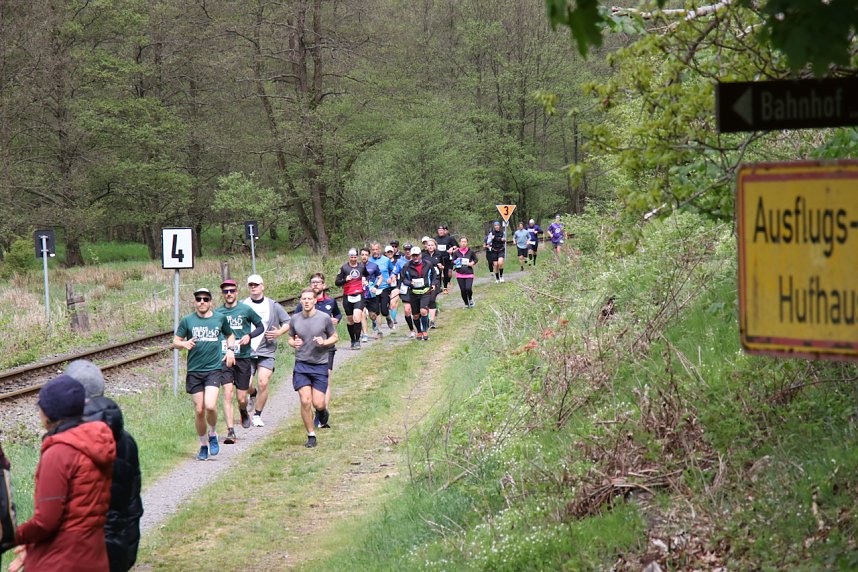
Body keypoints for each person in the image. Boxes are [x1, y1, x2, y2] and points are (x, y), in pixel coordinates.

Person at [9, 375, 115, 572]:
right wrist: (32, 544)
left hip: (62, 560)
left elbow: (46, 521)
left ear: (49, 414)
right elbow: (77, 512)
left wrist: (12, 536)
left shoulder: (59, 452)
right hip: (93, 554)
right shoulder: (94, 442)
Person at [65, 360, 143, 572]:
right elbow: (132, 501)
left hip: (77, 550)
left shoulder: (67, 442)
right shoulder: (126, 440)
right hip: (118, 544)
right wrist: (129, 549)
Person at [172, 287, 236, 460]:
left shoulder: (219, 318)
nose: (202, 302)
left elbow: (230, 335)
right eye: (198, 299)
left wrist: (230, 350)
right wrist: (183, 344)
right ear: (194, 302)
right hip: (194, 371)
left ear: (210, 302)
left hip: (213, 369)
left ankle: (213, 433)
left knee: (210, 406)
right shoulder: (187, 320)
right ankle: (203, 444)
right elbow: (175, 341)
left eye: (205, 299)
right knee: (199, 410)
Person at [287, 288, 338, 448]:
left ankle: (322, 412)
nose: (307, 301)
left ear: (315, 301)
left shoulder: (324, 318)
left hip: (320, 364)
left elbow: (335, 337)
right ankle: (311, 435)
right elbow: (290, 338)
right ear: (301, 301)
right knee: (305, 400)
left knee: (318, 403)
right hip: (302, 364)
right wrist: (294, 343)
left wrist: (325, 342)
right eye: (304, 299)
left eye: (310, 299)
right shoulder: (295, 319)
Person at [215, 279, 264, 439]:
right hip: (225, 358)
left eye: (231, 291)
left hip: (243, 357)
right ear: (223, 294)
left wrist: (249, 336)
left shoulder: (246, 309)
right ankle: (230, 431)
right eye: (226, 291)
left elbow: (261, 327)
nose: (229, 294)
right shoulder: (218, 313)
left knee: (241, 398)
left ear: (236, 292)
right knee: (227, 394)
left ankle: (243, 410)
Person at [241, 274, 291, 428]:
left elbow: (288, 321)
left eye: (256, 285)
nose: (253, 287)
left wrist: (279, 332)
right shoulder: (243, 304)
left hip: (266, 350)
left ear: (262, 286)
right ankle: (252, 393)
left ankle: (257, 415)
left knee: (263, 382)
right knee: (246, 385)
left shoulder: (272, 305)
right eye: (251, 285)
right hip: (246, 351)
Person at [296, 272, 342, 427]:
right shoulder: (303, 304)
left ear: (323, 285)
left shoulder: (330, 301)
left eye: (318, 282)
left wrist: (336, 320)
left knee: (326, 378)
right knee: (307, 391)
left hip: (326, 347)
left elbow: (338, 315)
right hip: (307, 350)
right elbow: (295, 323)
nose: (315, 284)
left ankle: (321, 411)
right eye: (313, 282)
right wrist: (295, 339)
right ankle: (317, 410)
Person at [335, 248, 370, 350]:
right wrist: (345, 280)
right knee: (350, 320)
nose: (353, 259)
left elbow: (367, 275)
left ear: (357, 257)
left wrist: (366, 281)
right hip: (347, 295)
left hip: (359, 294)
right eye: (352, 257)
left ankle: (357, 341)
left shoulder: (361, 266)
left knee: (357, 318)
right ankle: (352, 340)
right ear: (349, 257)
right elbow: (337, 282)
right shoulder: (344, 268)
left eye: (355, 257)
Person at [401, 245, 435, 340]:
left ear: (420, 255)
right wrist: (410, 283)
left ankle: (425, 331)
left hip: (425, 291)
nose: (415, 257)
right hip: (413, 292)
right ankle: (419, 331)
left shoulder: (428, 264)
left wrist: (433, 283)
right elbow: (403, 278)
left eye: (417, 255)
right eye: (413, 255)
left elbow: (434, 274)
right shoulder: (407, 266)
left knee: (423, 311)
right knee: (415, 315)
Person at [368, 241, 396, 330]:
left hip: (384, 287)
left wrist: (391, 277)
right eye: (373, 249)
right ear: (371, 250)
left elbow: (393, 270)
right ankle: (377, 328)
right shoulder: (369, 261)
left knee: (384, 310)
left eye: (376, 249)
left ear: (380, 249)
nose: (375, 251)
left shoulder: (386, 260)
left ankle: (388, 317)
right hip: (373, 288)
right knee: (376, 310)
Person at [393, 243, 416, 338]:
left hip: (417, 286)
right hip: (405, 287)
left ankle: (421, 327)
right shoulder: (400, 261)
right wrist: (392, 277)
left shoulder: (417, 259)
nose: (407, 251)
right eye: (406, 249)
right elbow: (394, 272)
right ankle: (412, 330)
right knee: (407, 310)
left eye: (409, 249)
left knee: (417, 311)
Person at [359, 247, 382, 342]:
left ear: (369, 256)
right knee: (362, 313)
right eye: (362, 255)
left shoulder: (374, 266)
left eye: (366, 255)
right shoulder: (356, 267)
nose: (364, 257)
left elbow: (380, 277)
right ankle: (365, 334)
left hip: (371, 294)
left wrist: (376, 286)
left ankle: (374, 322)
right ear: (360, 256)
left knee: (373, 315)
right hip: (360, 294)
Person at [423, 238, 444, 329]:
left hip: (436, 279)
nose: (430, 247)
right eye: (429, 245)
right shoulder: (423, 255)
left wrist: (441, 267)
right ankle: (427, 318)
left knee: (432, 299)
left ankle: (431, 321)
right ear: (426, 246)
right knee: (426, 300)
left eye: (432, 245)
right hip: (426, 280)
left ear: (435, 246)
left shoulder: (439, 254)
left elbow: (443, 266)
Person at [452, 237, 478, 308]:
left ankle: (470, 298)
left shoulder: (471, 252)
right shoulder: (456, 252)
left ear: (467, 243)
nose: (463, 243)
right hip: (459, 273)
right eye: (462, 242)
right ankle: (466, 304)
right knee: (463, 290)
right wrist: (456, 261)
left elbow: (476, 259)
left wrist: (472, 263)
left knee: (468, 288)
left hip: (469, 273)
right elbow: (453, 261)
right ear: (460, 243)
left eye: (465, 242)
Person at [434, 225, 458, 294]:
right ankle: (439, 287)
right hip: (437, 258)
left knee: (446, 273)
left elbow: (456, 246)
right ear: (437, 231)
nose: (440, 232)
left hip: (446, 258)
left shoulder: (449, 238)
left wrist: (452, 249)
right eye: (439, 230)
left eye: (442, 230)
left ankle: (445, 287)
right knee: (438, 273)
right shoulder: (435, 239)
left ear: (444, 231)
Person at [384, 245, 401, 328]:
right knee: (386, 304)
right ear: (385, 253)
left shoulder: (397, 262)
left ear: (393, 252)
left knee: (393, 303)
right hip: (385, 286)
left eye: (391, 252)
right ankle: (389, 318)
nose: (390, 253)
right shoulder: (383, 262)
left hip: (395, 285)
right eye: (388, 252)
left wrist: (395, 276)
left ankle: (393, 320)